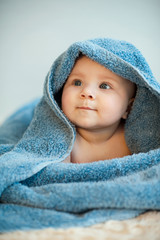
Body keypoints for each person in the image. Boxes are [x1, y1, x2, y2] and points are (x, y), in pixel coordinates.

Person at [62, 54, 136, 163]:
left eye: (104, 86)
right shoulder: (63, 143)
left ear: (128, 108)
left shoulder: (136, 140)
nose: (86, 92)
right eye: (77, 83)